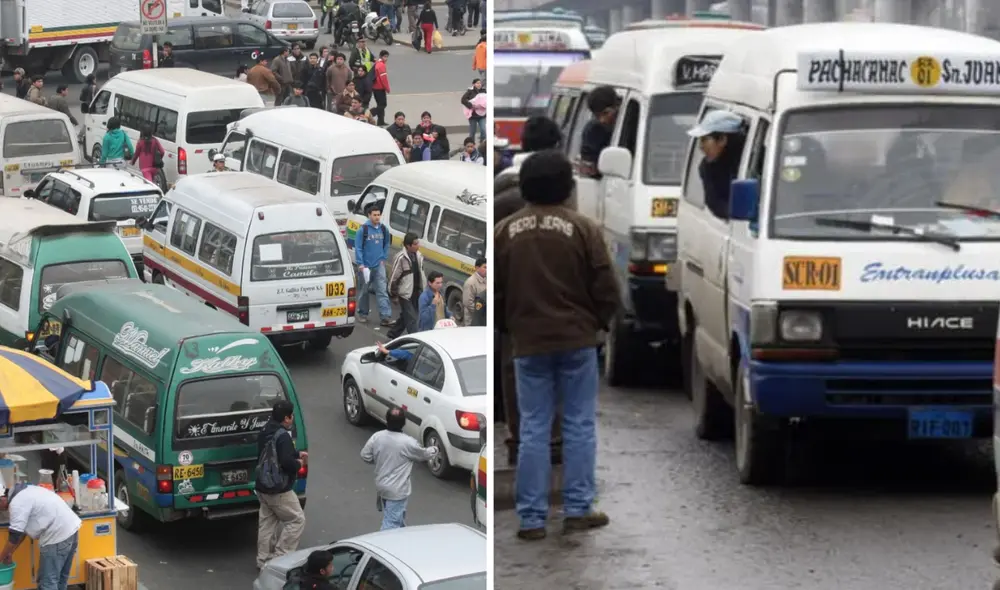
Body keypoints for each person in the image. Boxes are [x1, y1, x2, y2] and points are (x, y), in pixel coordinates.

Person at [496, 150, 621, 540]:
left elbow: (497, 296)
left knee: (533, 426)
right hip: (577, 341)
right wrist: (597, 325)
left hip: (528, 343)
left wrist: (513, 329)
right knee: (579, 424)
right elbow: (607, 288)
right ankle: (578, 508)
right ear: (568, 186)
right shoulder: (583, 228)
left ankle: (532, 519)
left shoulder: (505, 231)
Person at [360, 407, 437, 529]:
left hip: (382, 486)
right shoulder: (407, 442)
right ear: (403, 423)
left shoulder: (377, 437)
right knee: (391, 525)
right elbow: (424, 454)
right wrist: (434, 449)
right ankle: (384, 545)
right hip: (397, 490)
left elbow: (365, 455)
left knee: (396, 517)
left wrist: (380, 460)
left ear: (387, 420)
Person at [255, 401, 307, 570]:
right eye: (291, 416)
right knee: (296, 520)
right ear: (286, 418)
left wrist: (296, 453)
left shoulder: (265, 430)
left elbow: (272, 453)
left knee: (267, 523)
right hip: (279, 489)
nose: (292, 419)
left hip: (262, 485)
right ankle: (280, 559)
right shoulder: (283, 435)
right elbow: (286, 462)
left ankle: (263, 560)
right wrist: (299, 462)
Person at [0, 483, 81, 590]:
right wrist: (9, 553)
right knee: (60, 579)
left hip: (57, 537)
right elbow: (21, 533)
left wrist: (0, 559)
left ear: (2, 499)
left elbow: (14, 536)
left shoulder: (17, 503)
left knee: (47, 583)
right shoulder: (27, 491)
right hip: (71, 530)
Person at [686, 110, 746, 219]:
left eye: (704, 140)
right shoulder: (707, 168)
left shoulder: (751, 159)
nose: (701, 146)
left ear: (722, 139)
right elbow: (715, 204)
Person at [355, 205, 393, 326]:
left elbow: (387, 243)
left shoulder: (383, 229)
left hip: (379, 265)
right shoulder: (363, 230)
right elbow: (358, 248)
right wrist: (360, 264)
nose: (377, 217)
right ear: (369, 215)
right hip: (365, 267)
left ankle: (385, 316)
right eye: (374, 215)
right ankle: (363, 313)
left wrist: (383, 257)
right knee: (364, 291)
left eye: (378, 215)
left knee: (382, 290)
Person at [387, 232, 425, 338]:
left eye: (418, 243)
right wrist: (393, 296)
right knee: (412, 319)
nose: (418, 245)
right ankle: (415, 340)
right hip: (405, 294)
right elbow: (393, 278)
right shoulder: (401, 258)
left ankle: (393, 334)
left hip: (416, 292)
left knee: (406, 316)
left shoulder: (419, 256)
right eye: (415, 244)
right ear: (408, 246)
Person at [579, 85, 620, 178]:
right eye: (597, 116)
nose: (602, 120)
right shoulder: (593, 131)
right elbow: (588, 165)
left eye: (606, 113)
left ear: (618, 106)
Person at [461, 257, 486, 326]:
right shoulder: (470, 283)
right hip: (473, 320)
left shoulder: (486, 280)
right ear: (477, 268)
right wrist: (480, 312)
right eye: (485, 267)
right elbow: (468, 303)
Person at [461, 78, 486, 143]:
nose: (479, 84)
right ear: (473, 84)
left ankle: (482, 143)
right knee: (472, 131)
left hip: (482, 115)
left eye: (480, 83)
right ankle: (471, 144)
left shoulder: (484, 91)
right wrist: (471, 105)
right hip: (473, 116)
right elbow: (463, 100)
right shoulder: (470, 91)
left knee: (483, 130)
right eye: (477, 83)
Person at [371, 50, 390, 126]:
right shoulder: (381, 65)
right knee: (383, 105)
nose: (386, 58)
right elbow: (383, 79)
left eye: (387, 57)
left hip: (375, 87)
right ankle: (370, 113)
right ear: (381, 56)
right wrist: (387, 88)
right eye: (385, 56)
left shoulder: (377, 63)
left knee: (380, 105)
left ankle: (381, 121)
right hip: (379, 88)